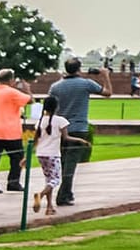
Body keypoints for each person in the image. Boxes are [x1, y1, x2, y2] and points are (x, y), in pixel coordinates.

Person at [47, 59, 111, 207]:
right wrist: (105, 76)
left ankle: (66, 193)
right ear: (78, 69)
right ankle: (63, 195)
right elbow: (108, 93)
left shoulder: (55, 86)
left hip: (60, 128)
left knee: (63, 162)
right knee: (70, 164)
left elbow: (51, 107)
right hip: (78, 128)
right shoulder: (85, 84)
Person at [30, 95, 85, 217]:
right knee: (56, 180)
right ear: (56, 107)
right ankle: (41, 194)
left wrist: (27, 156)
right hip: (53, 154)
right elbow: (66, 138)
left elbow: (35, 140)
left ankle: (49, 207)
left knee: (48, 180)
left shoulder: (40, 121)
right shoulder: (60, 121)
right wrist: (80, 140)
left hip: (41, 154)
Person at [0, 69, 30, 194]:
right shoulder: (12, 92)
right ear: (11, 80)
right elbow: (30, 100)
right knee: (17, 157)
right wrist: (26, 88)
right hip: (10, 131)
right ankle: (13, 182)